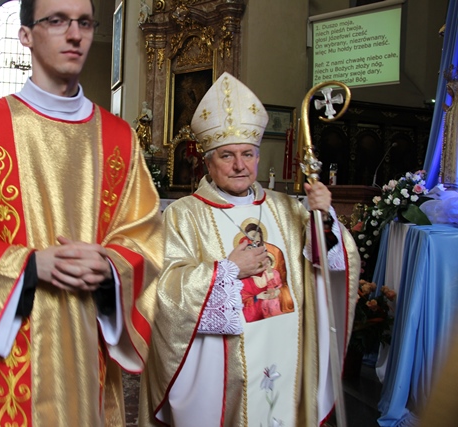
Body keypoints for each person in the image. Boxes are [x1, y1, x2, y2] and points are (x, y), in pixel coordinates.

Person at [0, 0, 163, 425]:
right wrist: (27, 267)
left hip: (81, 359)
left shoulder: (120, 142)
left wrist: (111, 268)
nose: (74, 34)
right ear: (25, 35)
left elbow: (146, 242)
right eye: (57, 20)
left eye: (84, 22)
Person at [139, 72, 360, 427]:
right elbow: (164, 291)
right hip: (220, 360)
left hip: (286, 344)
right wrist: (227, 271)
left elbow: (330, 263)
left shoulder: (286, 207)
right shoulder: (183, 214)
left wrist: (323, 218)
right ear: (207, 162)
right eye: (227, 155)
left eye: (248, 154)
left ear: (258, 157)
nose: (239, 165)